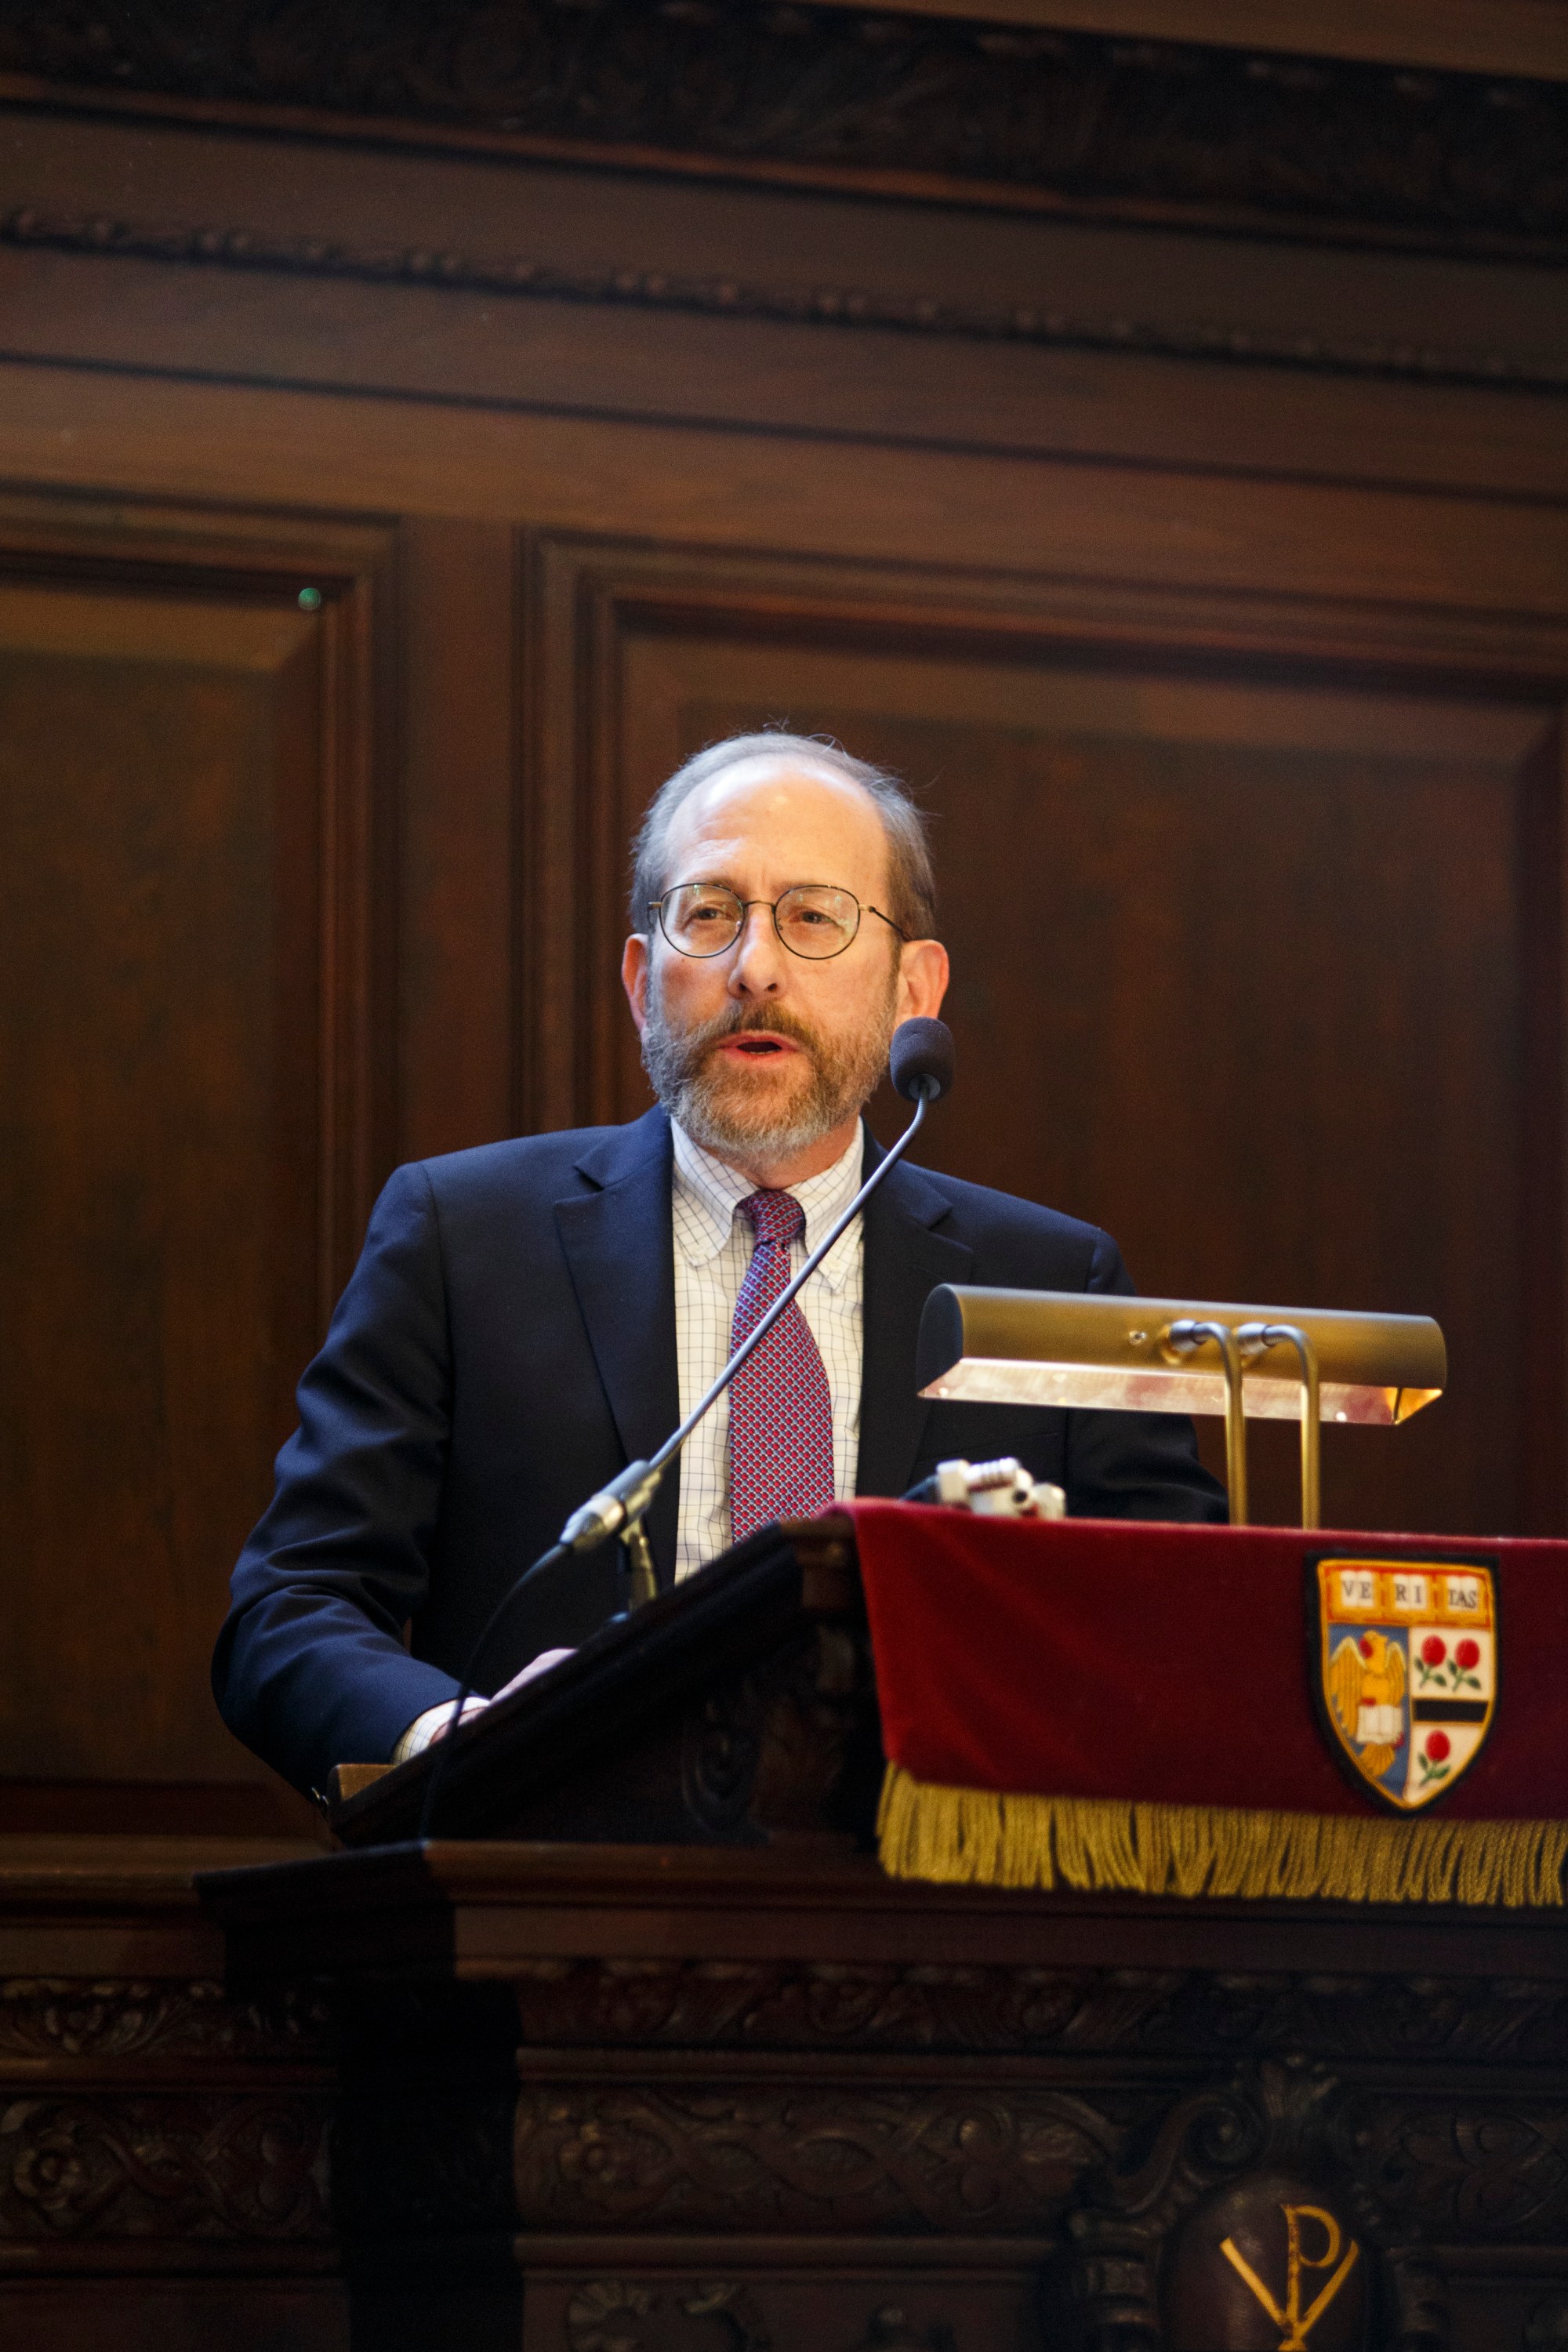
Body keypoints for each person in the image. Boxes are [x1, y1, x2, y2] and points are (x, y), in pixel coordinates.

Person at [213, 733, 1224, 1795]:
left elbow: (1183, 1628)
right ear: (643, 982)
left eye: (814, 917)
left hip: (937, 1912)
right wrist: (457, 1734)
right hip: (556, 1897)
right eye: (709, 914)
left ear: (912, 989)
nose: (756, 968)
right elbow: (291, 1610)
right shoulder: (463, 1239)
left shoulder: (1049, 1283)